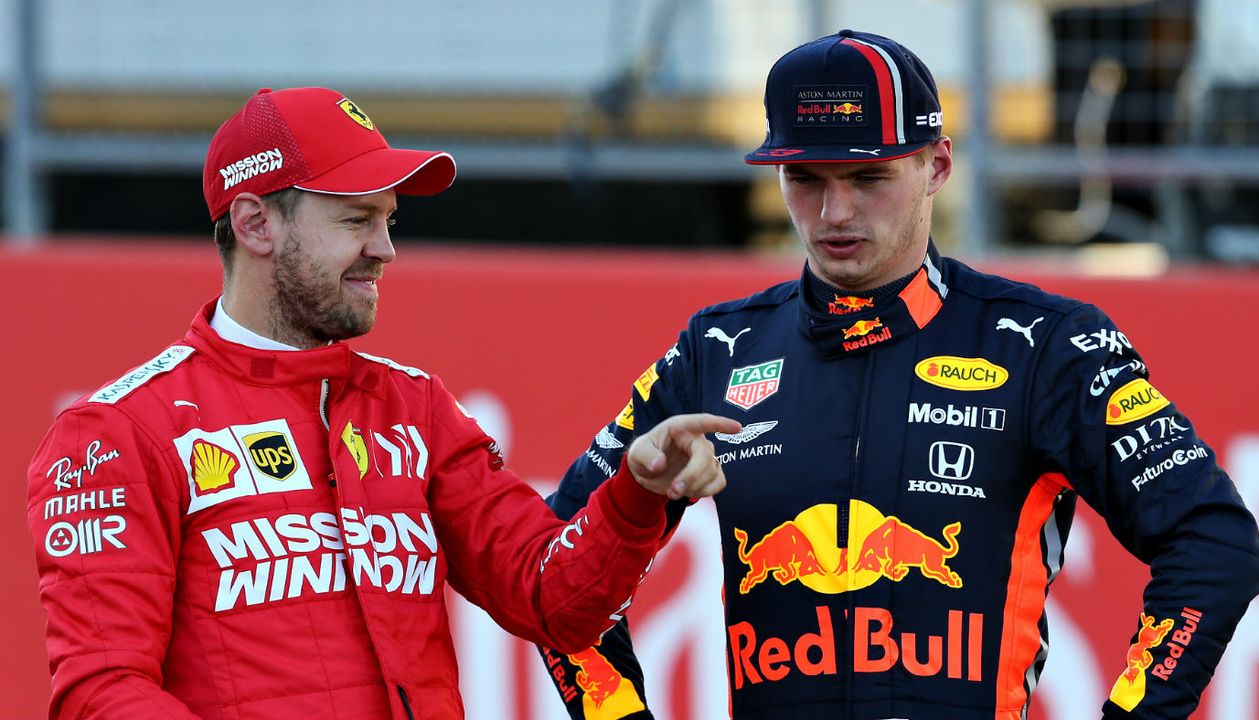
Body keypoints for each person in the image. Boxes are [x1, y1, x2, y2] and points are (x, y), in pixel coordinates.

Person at [538, 30, 1259, 720]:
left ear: (937, 166)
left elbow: (1215, 543)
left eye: (868, 176)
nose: (835, 210)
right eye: (805, 177)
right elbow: (551, 564)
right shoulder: (717, 349)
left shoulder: (1047, 344)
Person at [25, 86, 740, 720]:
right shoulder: (117, 432)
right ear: (254, 224)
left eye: (389, 220)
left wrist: (636, 495)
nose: (385, 249)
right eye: (355, 220)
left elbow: (553, 602)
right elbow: (100, 692)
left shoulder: (414, 408)